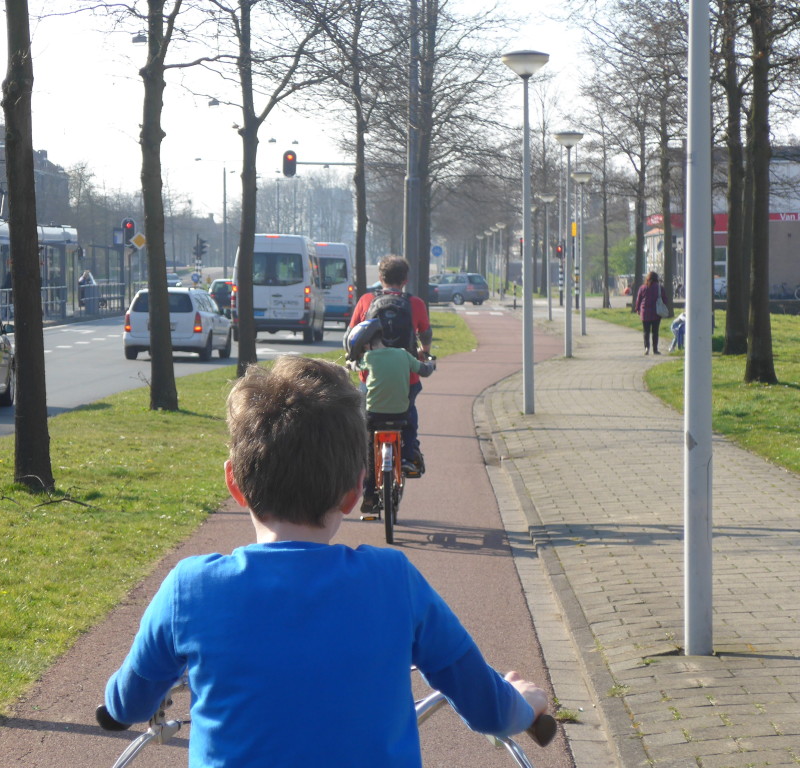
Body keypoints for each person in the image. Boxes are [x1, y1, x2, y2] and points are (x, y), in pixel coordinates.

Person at [98, 356, 548, 767]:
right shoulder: (395, 582)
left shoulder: (190, 590)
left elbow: (128, 703)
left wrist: (116, 705)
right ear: (355, 491)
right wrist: (524, 702)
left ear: (235, 483)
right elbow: (490, 708)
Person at [348, 255, 432, 472]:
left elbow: (351, 334)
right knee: (409, 409)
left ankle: (364, 469)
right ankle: (408, 455)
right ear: (405, 280)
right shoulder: (415, 303)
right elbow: (425, 333)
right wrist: (425, 353)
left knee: (365, 418)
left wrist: (355, 358)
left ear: (380, 277)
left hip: (370, 377)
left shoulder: (366, 301)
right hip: (407, 377)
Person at [346, 318, 435, 513]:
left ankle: (369, 496)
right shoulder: (403, 355)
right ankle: (407, 458)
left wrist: (350, 363)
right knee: (410, 426)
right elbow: (424, 370)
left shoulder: (368, 358)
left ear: (367, 344)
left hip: (374, 415)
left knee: (369, 451)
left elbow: (355, 366)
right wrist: (431, 364)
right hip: (399, 414)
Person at [633, 271, 670, 355]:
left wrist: (637, 309)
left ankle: (646, 348)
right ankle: (655, 349)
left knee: (646, 332)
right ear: (656, 278)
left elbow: (638, 300)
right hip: (656, 313)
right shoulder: (659, 288)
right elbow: (665, 300)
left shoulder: (642, 288)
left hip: (645, 313)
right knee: (655, 332)